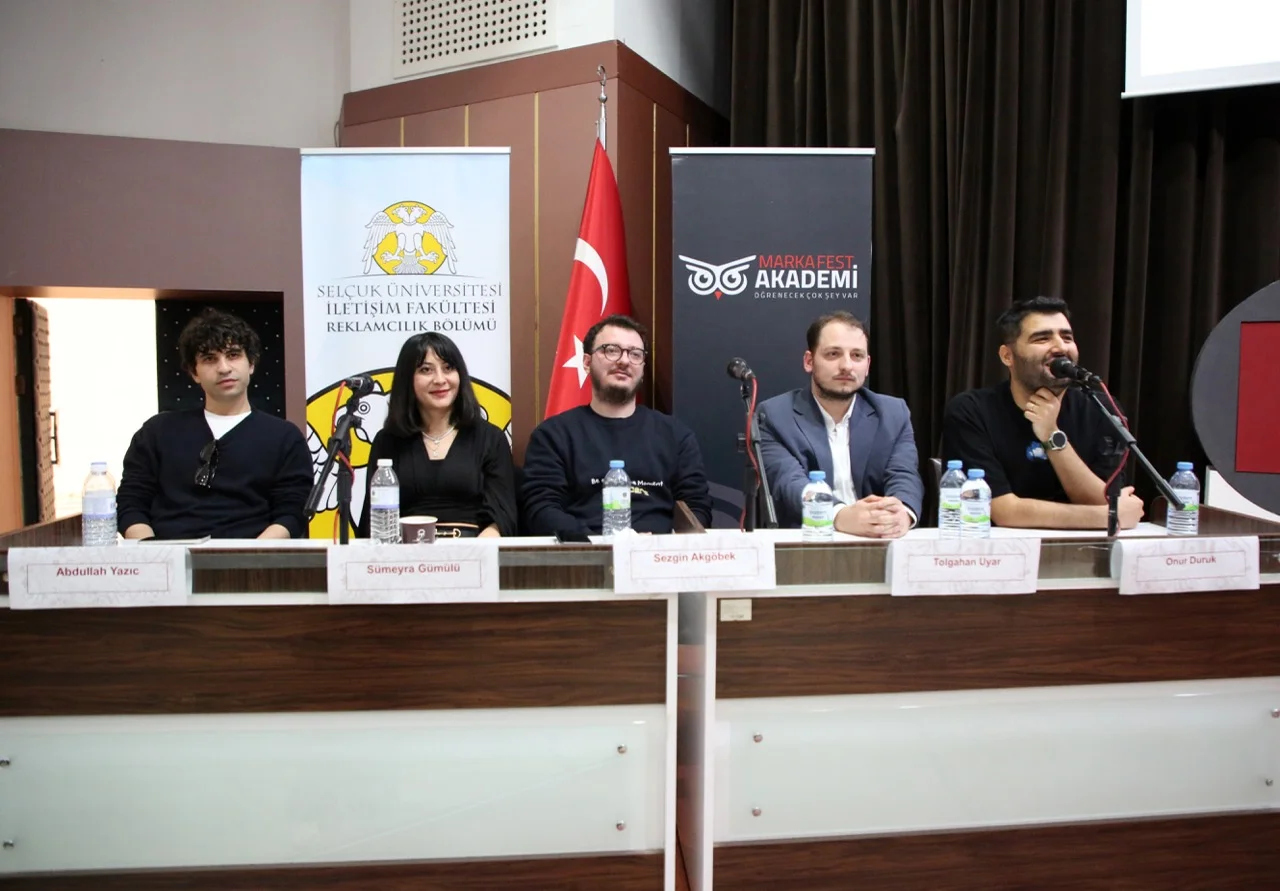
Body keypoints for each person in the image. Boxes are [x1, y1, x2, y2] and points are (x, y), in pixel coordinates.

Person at [939, 295, 1142, 529]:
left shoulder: (1102, 408)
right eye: (1042, 338)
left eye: (1067, 337)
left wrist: (1052, 437)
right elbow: (1002, 511)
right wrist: (1107, 518)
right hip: (1003, 548)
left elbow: (1106, 499)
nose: (1060, 347)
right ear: (1007, 356)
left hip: (1088, 546)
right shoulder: (971, 410)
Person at [117, 308, 313, 540]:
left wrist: (251, 554)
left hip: (254, 557)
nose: (224, 368)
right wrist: (154, 554)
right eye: (210, 359)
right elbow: (131, 503)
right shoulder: (157, 432)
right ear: (194, 372)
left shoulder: (284, 437)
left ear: (251, 364)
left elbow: (292, 513)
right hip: (167, 555)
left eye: (233, 355)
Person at [521, 314, 713, 535]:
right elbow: (541, 509)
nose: (624, 361)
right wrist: (599, 544)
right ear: (586, 362)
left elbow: (696, 508)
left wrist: (661, 546)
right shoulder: (553, 435)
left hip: (659, 551)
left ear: (642, 367)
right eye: (611, 350)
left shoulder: (676, 436)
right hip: (584, 551)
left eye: (635, 354)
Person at [758, 311, 924, 537]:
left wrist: (900, 514)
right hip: (810, 541)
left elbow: (904, 475)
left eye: (857, 356)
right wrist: (839, 515)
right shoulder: (775, 416)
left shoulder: (893, 413)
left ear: (867, 365)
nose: (846, 366)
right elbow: (789, 483)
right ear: (809, 361)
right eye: (833, 354)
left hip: (881, 539)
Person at [357, 332, 516, 538]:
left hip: (473, 549)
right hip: (404, 551)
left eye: (448, 368)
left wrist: (477, 551)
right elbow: (374, 520)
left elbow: (502, 516)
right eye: (426, 370)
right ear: (407, 379)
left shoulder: (490, 439)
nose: (440, 380)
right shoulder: (388, 440)